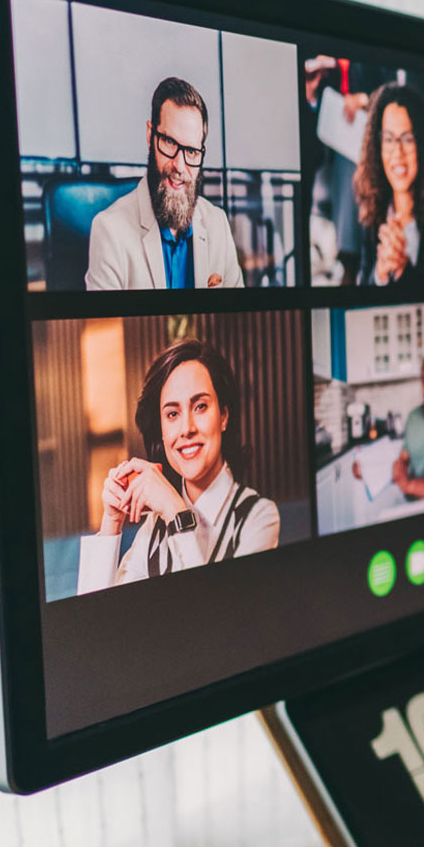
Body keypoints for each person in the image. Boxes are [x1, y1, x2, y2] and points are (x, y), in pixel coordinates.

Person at [79, 340, 279, 593]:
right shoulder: (153, 530)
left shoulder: (258, 517)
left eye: (200, 407)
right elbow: (97, 621)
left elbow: (217, 620)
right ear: (161, 431)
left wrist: (176, 513)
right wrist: (111, 522)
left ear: (224, 416)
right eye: (172, 414)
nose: (187, 429)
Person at [85, 78, 244, 291]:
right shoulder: (110, 231)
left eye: (191, 151)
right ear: (151, 136)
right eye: (169, 142)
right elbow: (104, 323)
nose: (179, 166)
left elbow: (238, 319)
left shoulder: (217, 224)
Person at [354, 83, 424, 286]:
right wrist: (380, 273)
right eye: (389, 139)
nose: (397, 153)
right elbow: (361, 287)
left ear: (422, 145)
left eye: (407, 139)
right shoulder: (372, 213)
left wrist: (402, 269)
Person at [357, 352, 424, 500]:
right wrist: (366, 468)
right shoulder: (412, 418)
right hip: (416, 500)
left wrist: (410, 486)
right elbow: (402, 462)